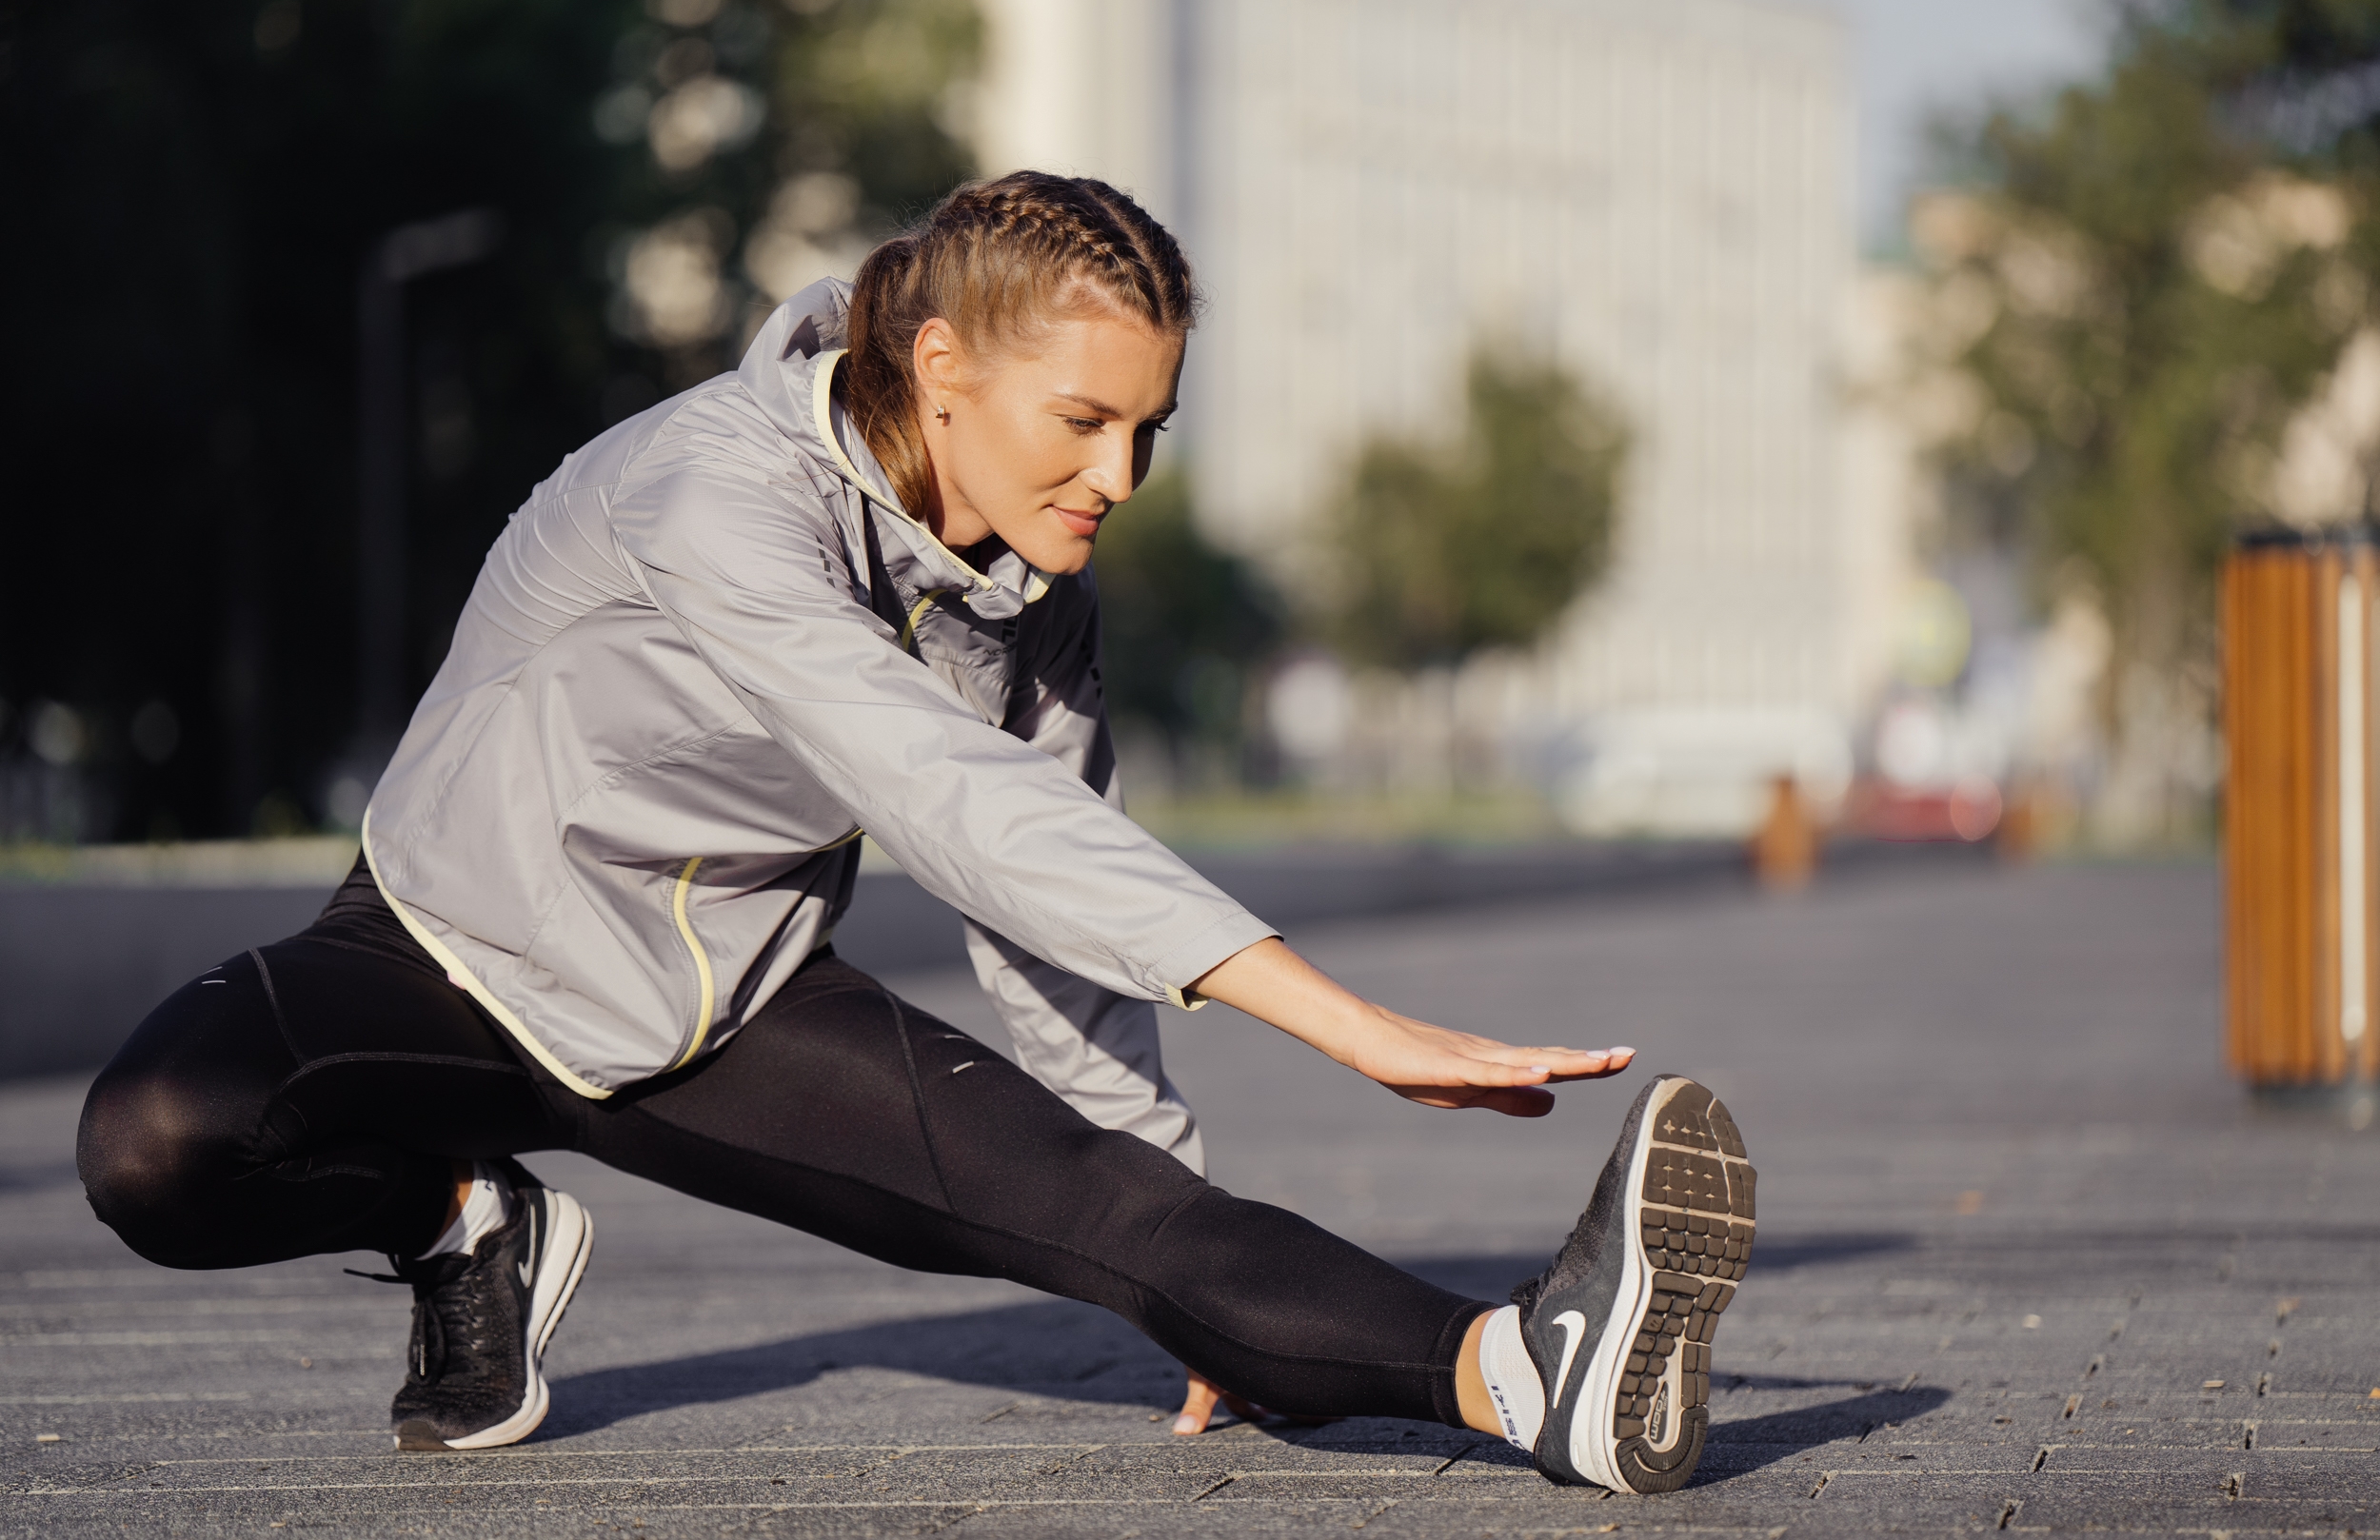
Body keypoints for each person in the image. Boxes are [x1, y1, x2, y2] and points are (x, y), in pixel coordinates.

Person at [74, 172, 1755, 1494]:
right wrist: (1341, 1019)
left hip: (716, 1009)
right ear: (941, 364)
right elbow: (943, 792)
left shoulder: (1033, 605)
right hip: (443, 949)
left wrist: (1175, 1255)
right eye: (1083, 421)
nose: (1121, 473)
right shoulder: (706, 492)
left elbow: (1046, 893)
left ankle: (1543, 1376)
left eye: (1149, 427)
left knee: (1117, 1219)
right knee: (155, 1144)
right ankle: (462, 1225)